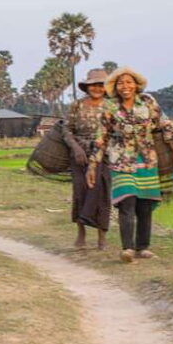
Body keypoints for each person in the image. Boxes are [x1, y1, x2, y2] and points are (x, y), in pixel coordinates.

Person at [87, 67, 173, 263]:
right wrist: (92, 165)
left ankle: (143, 247)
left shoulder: (148, 102)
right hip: (120, 160)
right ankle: (128, 248)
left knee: (145, 205)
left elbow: (165, 125)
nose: (125, 86)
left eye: (129, 82)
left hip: (146, 159)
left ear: (136, 85)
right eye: (121, 83)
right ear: (115, 87)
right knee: (127, 201)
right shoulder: (110, 107)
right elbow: (101, 137)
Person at [62, 69, 111, 250]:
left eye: (101, 85)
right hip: (80, 155)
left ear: (106, 89)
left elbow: (114, 132)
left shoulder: (111, 108)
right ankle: (81, 234)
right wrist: (76, 149)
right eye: (94, 85)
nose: (97, 88)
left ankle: (102, 237)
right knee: (81, 192)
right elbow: (66, 129)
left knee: (102, 194)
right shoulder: (77, 105)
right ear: (87, 87)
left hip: (104, 155)